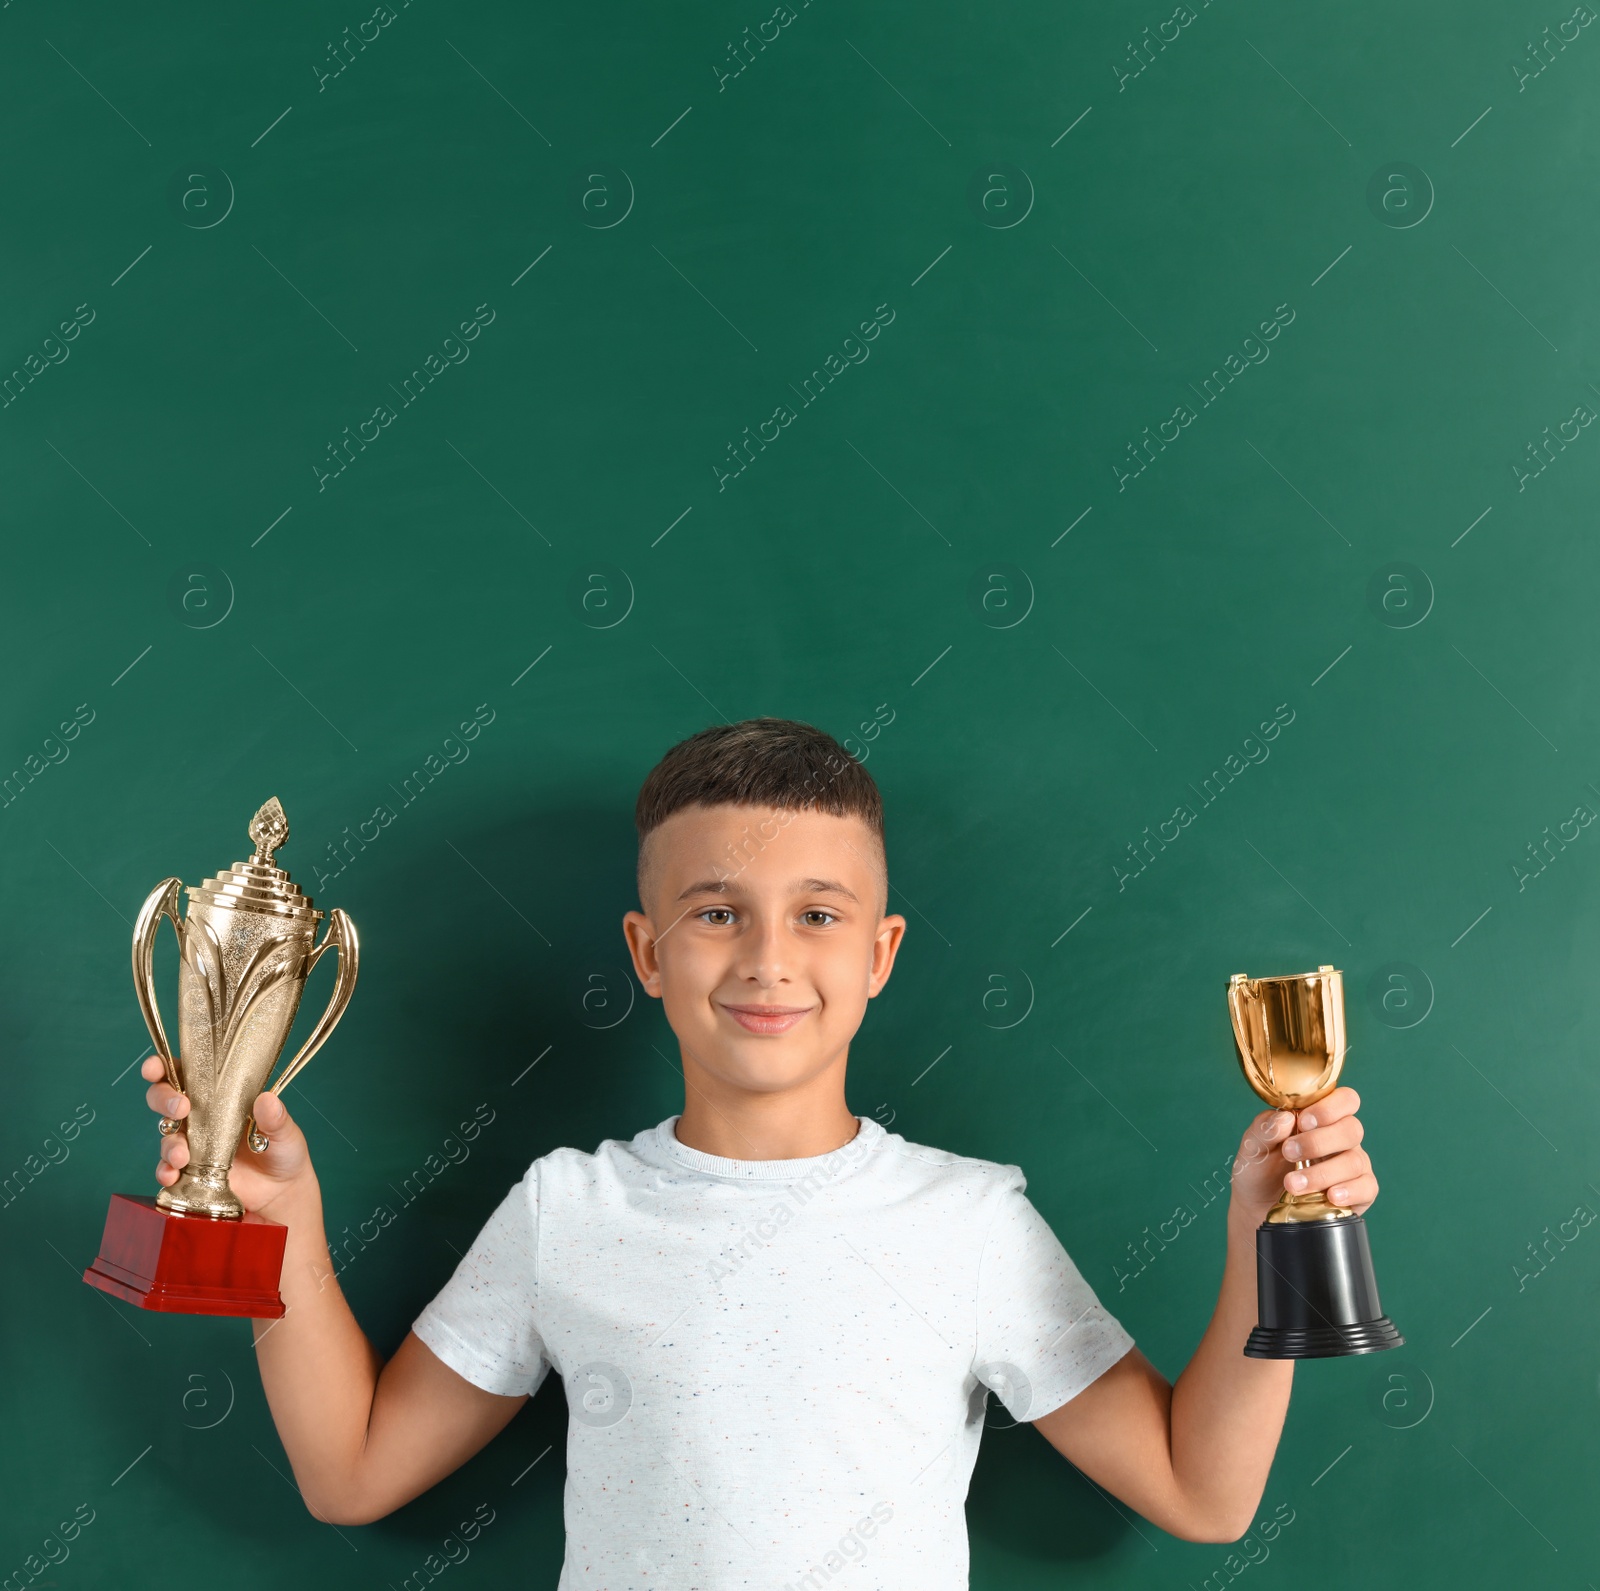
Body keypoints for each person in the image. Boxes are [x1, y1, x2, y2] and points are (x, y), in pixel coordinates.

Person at [140, 717, 1378, 1585]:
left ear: (879, 954)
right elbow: (350, 1472)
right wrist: (278, 1223)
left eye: (818, 915)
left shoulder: (969, 1220)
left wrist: (1265, 1239)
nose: (768, 959)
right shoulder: (567, 1208)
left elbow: (1200, 1494)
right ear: (646, 952)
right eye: (716, 912)